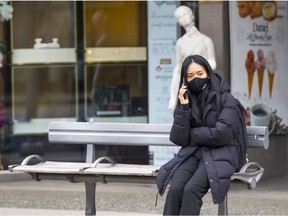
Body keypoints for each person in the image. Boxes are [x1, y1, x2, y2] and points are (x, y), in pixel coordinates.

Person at [156, 55, 247, 215]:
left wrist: (192, 134)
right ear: (185, 79)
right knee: (176, 189)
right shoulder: (187, 99)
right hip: (194, 153)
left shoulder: (227, 100)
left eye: (200, 74)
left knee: (191, 190)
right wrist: (183, 108)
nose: (195, 79)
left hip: (222, 153)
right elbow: (178, 138)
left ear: (208, 74)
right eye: (190, 76)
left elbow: (221, 134)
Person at [169, 5, 216, 113]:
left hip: (203, 83)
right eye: (180, 17)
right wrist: (173, 95)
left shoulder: (205, 40)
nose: (183, 18)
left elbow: (212, 62)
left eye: (185, 14)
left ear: (192, 15)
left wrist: (200, 70)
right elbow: (178, 66)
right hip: (186, 84)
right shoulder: (180, 43)